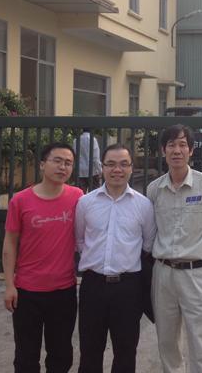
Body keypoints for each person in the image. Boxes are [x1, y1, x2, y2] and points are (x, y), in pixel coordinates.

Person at [147, 124, 202, 373]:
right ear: (163, 150)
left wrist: (194, 253)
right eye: (171, 145)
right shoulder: (154, 189)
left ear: (191, 150)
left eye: (183, 145)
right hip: (163, 274)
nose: (177, 150)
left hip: (196, 274)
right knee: (167, 341)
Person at [74, 143, 157, 373]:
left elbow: (148, 244)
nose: (117, 169)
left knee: (126, 351)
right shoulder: (86, 202)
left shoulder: (143, 205)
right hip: (93, 286)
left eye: (123, 164)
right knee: (89, 350)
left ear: (131, 168)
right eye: (111, 164)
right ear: (102, 168)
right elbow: (80, 240)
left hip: (128, 290)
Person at [2, 142, 84, 373]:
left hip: (63, 291)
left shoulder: (78, 197)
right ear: (42, 164)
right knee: (26, 356)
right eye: (57, 161)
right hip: (27, 291)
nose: (62, 167)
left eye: (68, 163)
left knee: (61, 354)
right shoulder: (20, 200)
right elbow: (10, 243)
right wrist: (9, 285)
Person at [72, 128, 103, 192]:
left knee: (80, 193)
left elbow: (74, 155)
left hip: (79, 170)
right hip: (92, 170)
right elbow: (95, 157)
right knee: (94, 192)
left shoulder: (76, 140)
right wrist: (100, 170)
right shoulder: (93, 140)